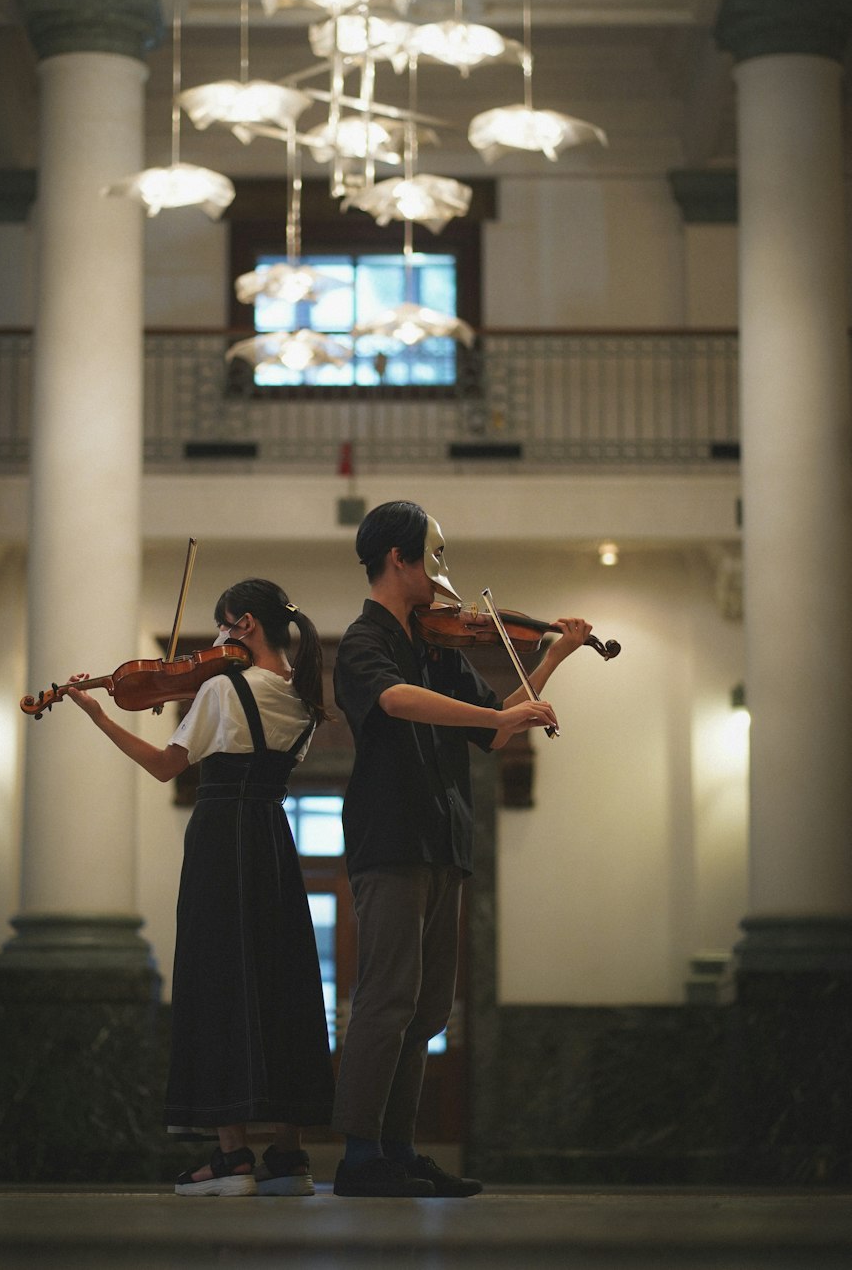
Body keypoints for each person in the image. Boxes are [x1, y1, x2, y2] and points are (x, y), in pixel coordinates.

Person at [331, 501, 592, 1198]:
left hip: (441, 835)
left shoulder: (438, 647)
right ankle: (359, 1156)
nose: (443, 570)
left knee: (426, 1010)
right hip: (390, 838)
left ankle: (398, 1147)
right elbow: (396, 702)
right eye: (433, 554)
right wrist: (498, 713)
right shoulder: (364, 643)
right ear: (398, 559)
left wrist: (553, 656)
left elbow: (499, 729)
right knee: (387, 998)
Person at [66, 578, 334, 1198]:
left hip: (221, 839)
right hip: (272, 837)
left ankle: (232, 1156)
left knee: (216, 980)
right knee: (281, 980)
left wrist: (98, 713)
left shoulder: (220, 686)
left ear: (242, 625)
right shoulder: (303, 696)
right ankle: (288, 1158)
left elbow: (166, 766)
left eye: (222, 626)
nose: (215, 640)